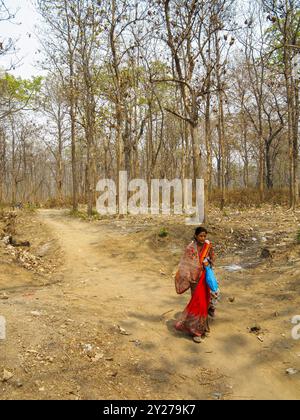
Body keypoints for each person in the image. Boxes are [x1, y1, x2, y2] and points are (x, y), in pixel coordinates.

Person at [174, 227, 216, 343]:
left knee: (204, 302)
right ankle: (195, 331)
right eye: (201, 236)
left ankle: (203, 328)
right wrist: (188, 277)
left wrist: (208, 262)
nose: (203, 238)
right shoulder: (190, 248)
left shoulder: (208, 246)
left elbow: (213, 259)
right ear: (196, 236)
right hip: (194, 280)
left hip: (204, 278)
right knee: (197, 303)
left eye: (204, 236)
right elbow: (185, 264)